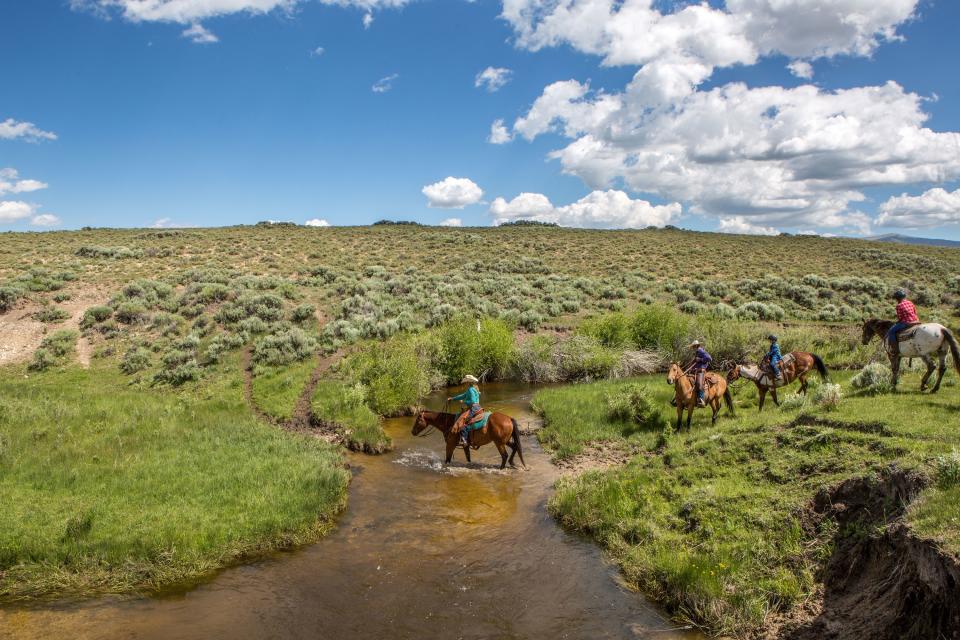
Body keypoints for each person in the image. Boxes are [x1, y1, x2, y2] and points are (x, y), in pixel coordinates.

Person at [448, 374, 482, 446]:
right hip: (478, 407)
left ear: (468, 382)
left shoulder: (470, 389)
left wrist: (464, 402)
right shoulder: (474, 388)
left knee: (463, 422)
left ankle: (465, 440)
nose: (464, 384)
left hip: (473, 407)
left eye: (465, 382)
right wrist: (453, 398)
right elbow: (462, 396)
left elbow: (472, 401)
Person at [887, 289, 919, 355]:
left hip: (907, 323)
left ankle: (895, 349)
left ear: (897, 298)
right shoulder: (910, 302)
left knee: (891, 332)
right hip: (916, 321)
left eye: (896, 298)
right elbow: (915, 312)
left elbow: (900, 318)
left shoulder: (899, 306)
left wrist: (897, 323)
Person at [689, 340, 712, 407]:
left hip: (701, 371)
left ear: (696, 346)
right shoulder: (697, 352)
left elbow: (709, 358)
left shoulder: (701, 351)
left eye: (693, 346)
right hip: (695, 370)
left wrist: (700, 359)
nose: (692, 348)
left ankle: (701, 399)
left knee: (699, 383)